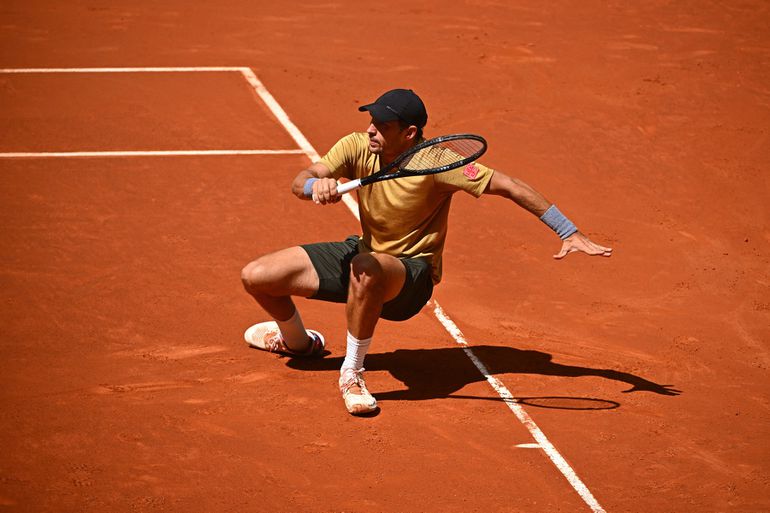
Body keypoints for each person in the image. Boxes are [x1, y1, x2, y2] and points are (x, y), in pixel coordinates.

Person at [241, 88, 612, 415]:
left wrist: (569, 231)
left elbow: (510, 186)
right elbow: (300, 180)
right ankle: (301, 344)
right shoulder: (356, 145)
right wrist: (315, 186)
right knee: (258, 277)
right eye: (371, 121)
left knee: (366, 267)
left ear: (410, 134)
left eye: (382, 125)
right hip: (365, 255)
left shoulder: (438, 164)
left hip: (411, 276)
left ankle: (351, 374)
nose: (371, 129)